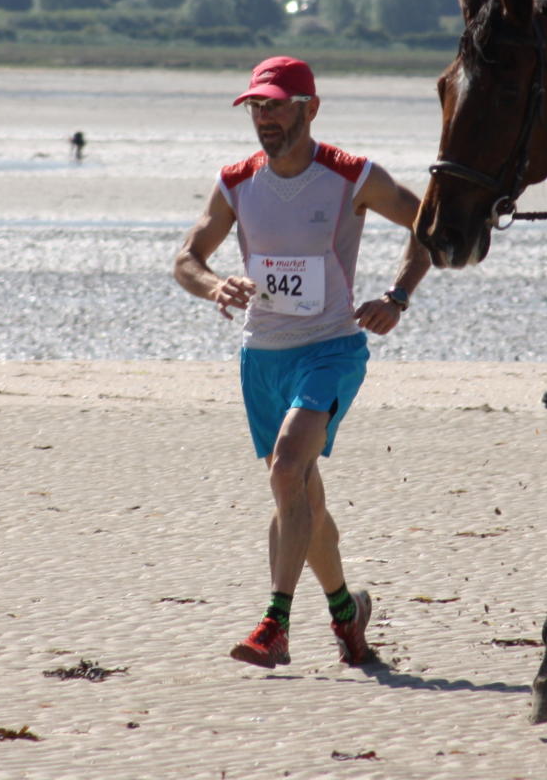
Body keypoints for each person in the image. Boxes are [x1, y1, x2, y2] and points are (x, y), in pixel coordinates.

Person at [173, 55, 430, 668]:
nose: (265, 117)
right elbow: (187, 257)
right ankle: (347, 614)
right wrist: (214, 286)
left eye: (277, 105)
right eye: (257, 106)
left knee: (289, 469)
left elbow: (429, 222)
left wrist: (397, 295)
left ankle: (274, 626)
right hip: (261, 358)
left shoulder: (349, 175)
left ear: (310, 108)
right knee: (301, 494)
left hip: (331, 349)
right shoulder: (236, 181)